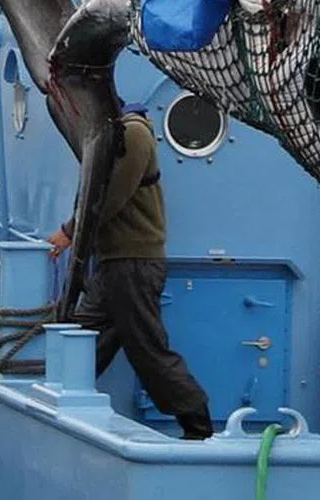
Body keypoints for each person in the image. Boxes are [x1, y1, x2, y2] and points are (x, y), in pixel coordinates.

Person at [47, 100, 213, 440]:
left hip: (132, 263)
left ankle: (199, 427)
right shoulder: (112, 136)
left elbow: (111, 197)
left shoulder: (134, 134)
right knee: (82, 340)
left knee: (147, 350)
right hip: (114, 264)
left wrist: (70, 230)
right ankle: (52, 404)